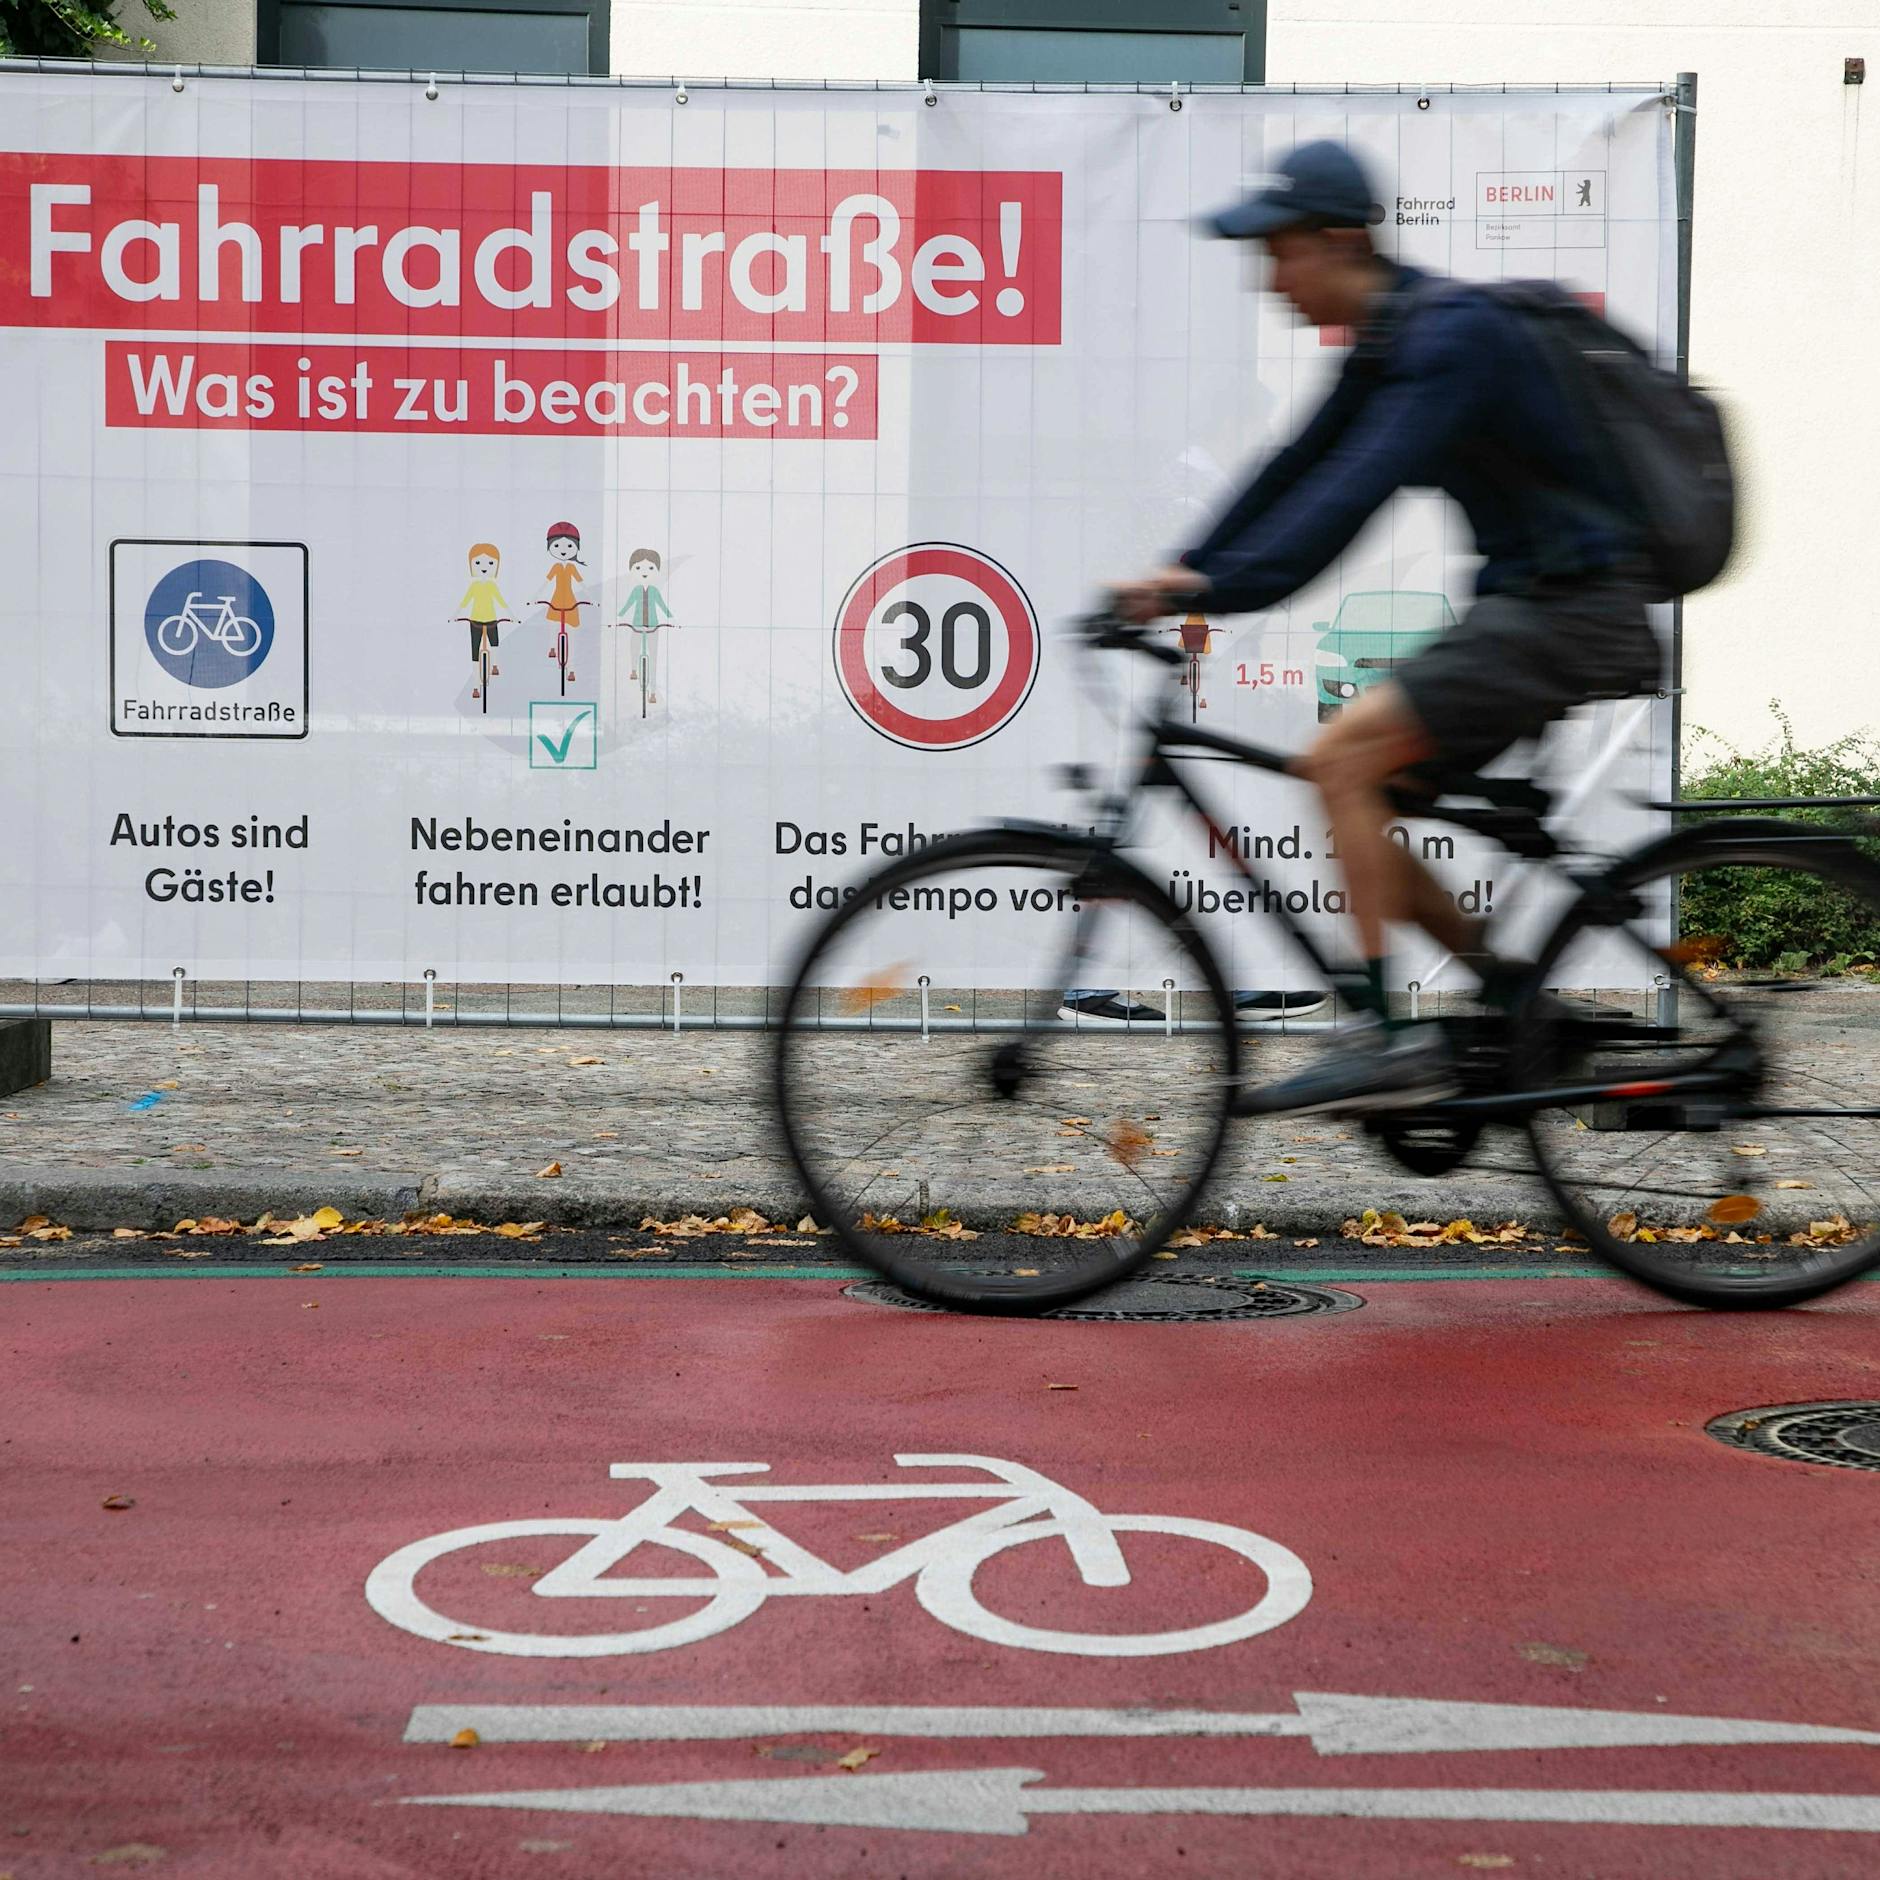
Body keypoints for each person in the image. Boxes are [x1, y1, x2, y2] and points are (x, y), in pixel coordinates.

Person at [1110, 140, 1661, 1113]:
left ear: (1337, 240)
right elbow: (1295, 468)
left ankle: (1382, 1037)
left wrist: (1209, 588)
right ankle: (1518, 1005)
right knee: (1370, 790)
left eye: (1278, 253)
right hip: (1534, 603)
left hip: (1568, 608)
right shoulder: (1389, 338)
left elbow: (1343, 501)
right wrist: (1185, 570)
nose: (1266, 278)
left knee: (1339, 761)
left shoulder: (1444, 339)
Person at [617, 548, 675, 705]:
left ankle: (653, 692)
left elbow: (662, 605)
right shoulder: (636, 590)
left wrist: (671, 617)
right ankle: (634, 669)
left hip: (653, 626)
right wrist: (620, 616)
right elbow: (629, 604)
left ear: (657, 571)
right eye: (638, 568)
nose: (644, 572)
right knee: (634, 647)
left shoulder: (654, 591)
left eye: (650, 568)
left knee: (653, 657)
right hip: (636, 624)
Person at [453, 541, 508, 698]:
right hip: (475, 621)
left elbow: (500, 601)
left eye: (490, 563)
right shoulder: (474, 586)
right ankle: (476, 687)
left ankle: (494, 666)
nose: (484, 567)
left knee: (495, 643)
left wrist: (511, 616)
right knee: (475, 654)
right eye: (478, 563)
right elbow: (465, 601)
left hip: (491, 619)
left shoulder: (492, 586)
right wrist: (456, 615)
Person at [539, 522, 587, 683]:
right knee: (552, 624)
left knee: (572, 637)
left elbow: (581, 584)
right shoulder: (556, 567)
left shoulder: (572, 568)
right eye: (557, 545)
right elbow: (545, 583)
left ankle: (571, 669)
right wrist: (534, 598)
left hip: (571, 603)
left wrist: (592, 599)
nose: (563, 549)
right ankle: (552, 646)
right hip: (556, 601)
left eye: (569, 545)